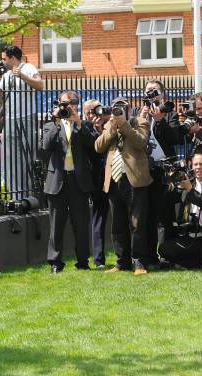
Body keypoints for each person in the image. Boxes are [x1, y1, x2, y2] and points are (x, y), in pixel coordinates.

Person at [95, 97, 151, 275]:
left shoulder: (139, 121)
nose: (118, 112)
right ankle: (121, 262)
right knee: (118, 224)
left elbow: (141, 142)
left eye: (121, 108)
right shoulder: (109, 125)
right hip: (114, 179)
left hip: (135, 179)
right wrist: (112, 126)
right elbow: (98, 146)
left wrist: (125, 124)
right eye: (115, 109)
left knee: (137, 222)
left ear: (128, 109)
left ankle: (140, 263)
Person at [41, 91, 95, 274]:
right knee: (56, 225)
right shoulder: (50, 125)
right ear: (59, 104)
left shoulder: (83, 125)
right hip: (57, 181)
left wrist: (79, 122)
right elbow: (45, 147)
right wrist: (57, 121)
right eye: (65, 104)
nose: (69, 106)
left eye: (73, 103)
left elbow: (93, 146)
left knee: (81, 224)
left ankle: (83, 261)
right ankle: (55, 263)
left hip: (78, 182)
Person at [134, 79, 183, 265]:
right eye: (148, 91)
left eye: (155, 91)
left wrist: (160, 120)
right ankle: (148, 255)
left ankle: (165, 254)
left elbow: (176, 138)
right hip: (144, 169)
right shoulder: (141, 113)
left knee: (164, 215)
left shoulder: (170, 113)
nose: (151, 94)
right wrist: (142, 119)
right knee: (146, 215)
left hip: (164, 170)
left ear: (163, 93)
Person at [0, 45, 44, 199]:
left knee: (27, 155)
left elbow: (40, 85)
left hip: (27, 117)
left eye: (4, 58)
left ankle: (29, 194)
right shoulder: (6, 74)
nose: (2, 61)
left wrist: (22, 76)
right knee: (11, 157)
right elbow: (0, 95)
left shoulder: (28, 67)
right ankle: (15, 194)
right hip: (10, 119)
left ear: (12, 58)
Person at [83, 99, 110, 269]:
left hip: (112, 176)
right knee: (98, 217)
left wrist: (103, 127)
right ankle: (99, 259)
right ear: (86, 114)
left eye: (97, 110)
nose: (95, 114)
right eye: (91, 111)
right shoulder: (84, 127)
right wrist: (96, 129)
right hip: (96, 179)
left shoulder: (109, 125)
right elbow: (92, 147)